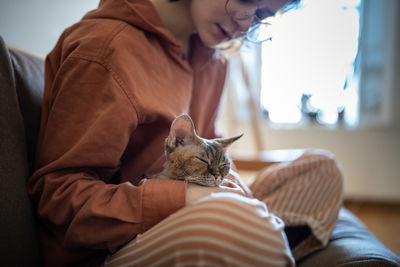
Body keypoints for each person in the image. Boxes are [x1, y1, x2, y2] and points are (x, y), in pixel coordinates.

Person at [28, 0, 343, 266]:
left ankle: (252, 242)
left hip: (197, 205)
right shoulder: (105, 50)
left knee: (322, 169)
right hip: (115, 243)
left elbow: (210, 145)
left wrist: (230, 189)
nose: (246, 26)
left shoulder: (213, 60)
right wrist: (186, 198)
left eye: (261, 15)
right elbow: (58, 199)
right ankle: (252, 238)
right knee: (238, 224)